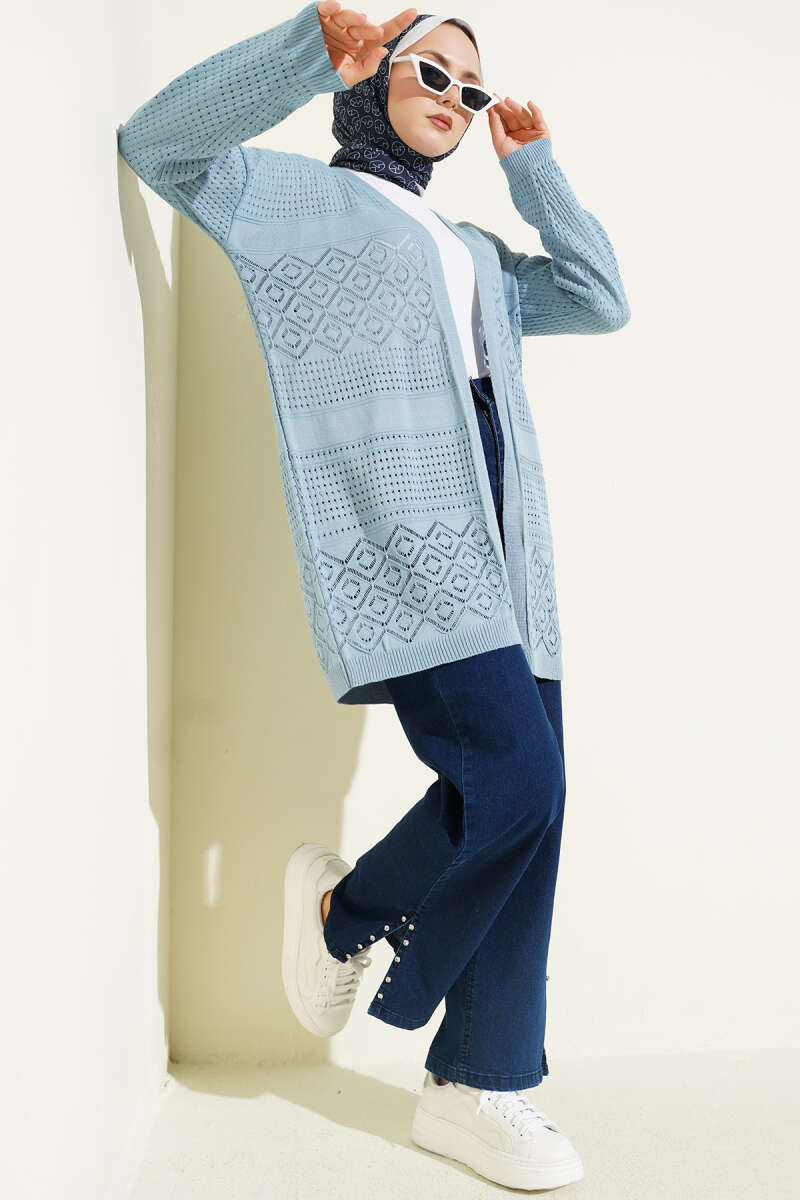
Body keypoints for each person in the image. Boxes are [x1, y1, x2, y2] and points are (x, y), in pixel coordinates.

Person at [118, 2, 630, 1189]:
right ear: (372, 77)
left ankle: (479, 1083)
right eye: (430, 71)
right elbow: (159, 146)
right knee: (519, 782)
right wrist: (307, 52)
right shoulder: (294, 202)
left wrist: (534, 171)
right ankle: (348, 918)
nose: (452, 97)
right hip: (409, 533)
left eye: (469, 87)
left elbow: (599, 297)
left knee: (534, 803)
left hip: (510, 543)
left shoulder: (475, 251)